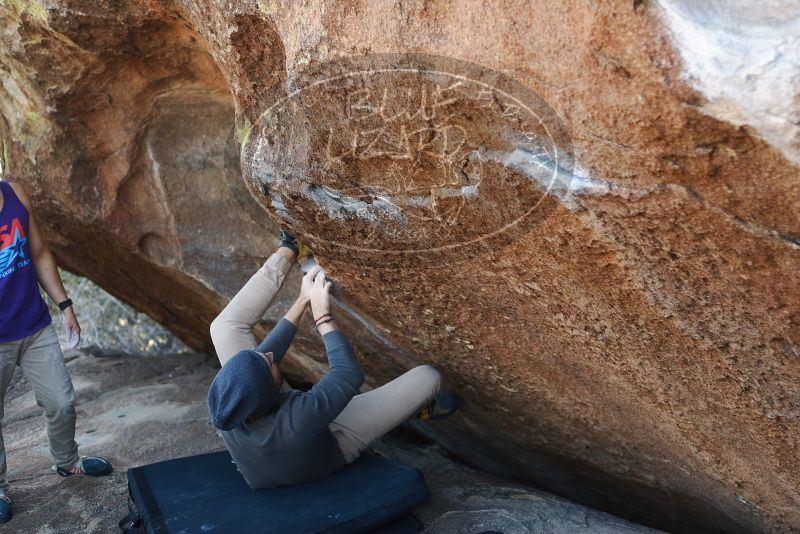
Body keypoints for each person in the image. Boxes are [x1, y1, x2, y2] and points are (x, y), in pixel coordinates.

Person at [207, 231, 452, 489]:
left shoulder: (227, 402)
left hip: (275, 443)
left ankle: (290, 249)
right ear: (271, 391)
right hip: (329, 445)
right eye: (270, 363)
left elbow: (260, 363)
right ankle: (418, 409)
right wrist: (322, 316)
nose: (269, 354)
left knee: (223, 328)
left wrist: (302, 301)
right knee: (428, 377)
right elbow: (348, 375)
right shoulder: (297, 419)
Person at [0, 181, 113, 523]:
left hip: (34, 326)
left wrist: (65, 306)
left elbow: (39, 254)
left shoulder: (15, 193)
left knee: (61, 401)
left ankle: (67, 461)